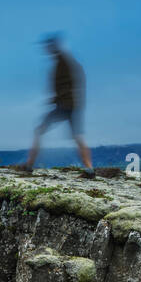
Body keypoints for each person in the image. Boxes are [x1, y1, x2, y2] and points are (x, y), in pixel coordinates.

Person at [25, 34, 94, 176]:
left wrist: (57, 98)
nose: (46, 49)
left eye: (48, 47)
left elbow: (70, 85)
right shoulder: (66, 61)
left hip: (65, 105)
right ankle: (89, 168)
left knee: (39, 130)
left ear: (53, 47)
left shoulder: (63, 62)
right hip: (72, 105)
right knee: (77, 136)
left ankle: (29, 165)